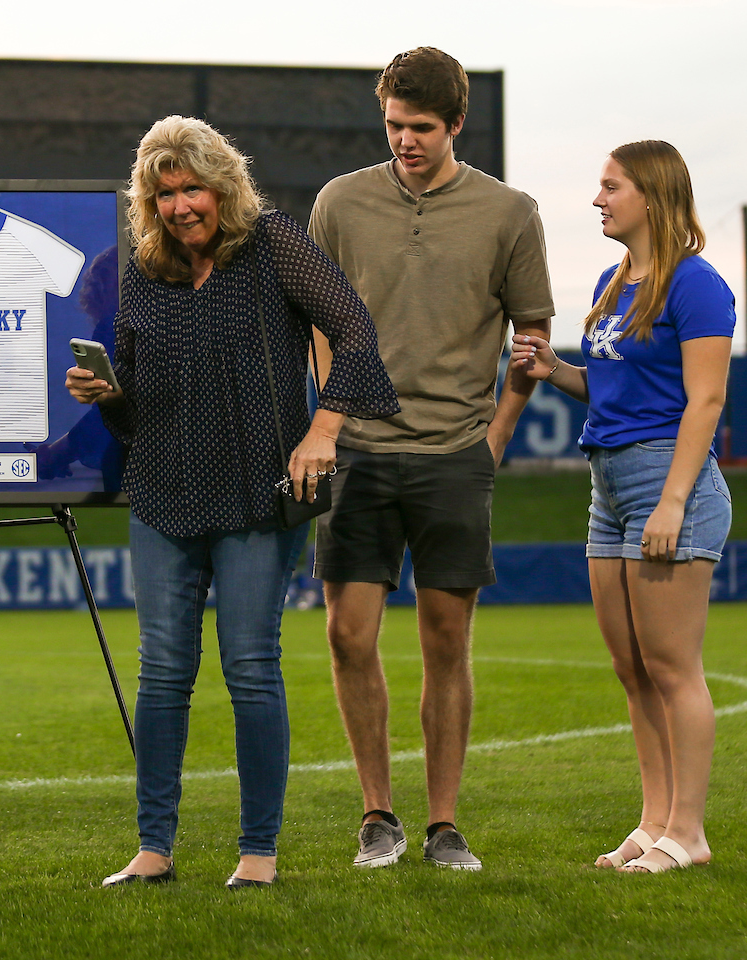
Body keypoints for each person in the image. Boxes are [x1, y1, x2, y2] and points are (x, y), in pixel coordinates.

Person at [67, 115, 397, 889]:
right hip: (161, 492)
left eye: (193, 189)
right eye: (165, 194)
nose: (181, 206)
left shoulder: (274, 243)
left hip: (256, 493)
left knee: (250, 666)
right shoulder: (144, 270)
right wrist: (107, 392)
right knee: (162, 673)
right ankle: (154, 848)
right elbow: (136, 401)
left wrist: (323, 429)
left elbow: (355, 333)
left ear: (223, 186)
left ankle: (258, 851)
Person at [308, 47, 554, 870]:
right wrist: (330, 417)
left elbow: (532, 339)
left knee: (447, 640)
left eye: (420, 126)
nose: (405, 140)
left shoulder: (510, 212)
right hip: (359, 451)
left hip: (454, 454)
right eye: (393, 125)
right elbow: (319, 317)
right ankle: (377, 815)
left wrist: (495, 437)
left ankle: (444, 824)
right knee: (348, 635)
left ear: (456, 124)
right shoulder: (340, 201)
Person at [511, 141, 733, 874]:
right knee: (632, 667)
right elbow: (610, 389)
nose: (598, 200)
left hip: (667, 483)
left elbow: (706, 400)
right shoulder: (613, 280)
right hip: (606, 485)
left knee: (673, 667)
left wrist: (672, 502)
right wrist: (555, 371)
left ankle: (688, 833)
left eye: (611, 187)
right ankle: (654, 820)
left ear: (652, 194)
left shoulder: (696, 283)